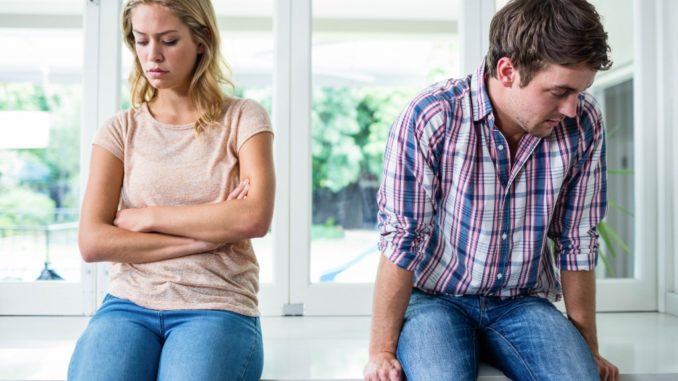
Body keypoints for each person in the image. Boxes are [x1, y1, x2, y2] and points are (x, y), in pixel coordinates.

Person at [364, 0, 620, 380]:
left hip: (522, 303)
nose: (570, 108)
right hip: (435, 300)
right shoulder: (431, 117)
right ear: (507, 70)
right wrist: (381, 352)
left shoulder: (584, 122)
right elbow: (402, 238)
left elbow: (577, 238)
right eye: (559, 91)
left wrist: (586, 350)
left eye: (579, 92)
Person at [68, 0, 274, 380]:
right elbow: (93, 241)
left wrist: (148, 217)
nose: (153, 56)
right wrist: (206, 237)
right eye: (141, 41)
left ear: (201, 41)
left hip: (217, 303)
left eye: (168, 40)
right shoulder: (119, 130)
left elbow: (254, 217)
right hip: (128, 304)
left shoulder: (244, 118)